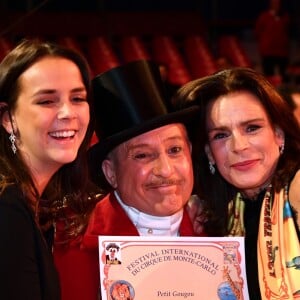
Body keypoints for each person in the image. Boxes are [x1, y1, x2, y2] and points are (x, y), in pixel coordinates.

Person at [53, 59, 203, 300]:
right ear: (111, 172)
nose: (165, 170)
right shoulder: (65, 244)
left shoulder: (222, 229)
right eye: (142, 155)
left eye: (175, 150)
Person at [172, 67, 300, 299]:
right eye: (220, 135)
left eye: (252, 128)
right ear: (210, 153)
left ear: (279, 134)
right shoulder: (214, 215)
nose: (239, 146)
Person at [0, 39, 98, 299]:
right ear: (8, 119)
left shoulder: (30, 203)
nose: (68, 113)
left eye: (78, 98)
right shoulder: (6, 207)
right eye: (46, 101)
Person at [255, 0, 290, 83]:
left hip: (282, 51)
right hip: (268, 51)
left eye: (278, 3)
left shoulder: (285, 16)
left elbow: (287, 31)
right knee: (269, 75)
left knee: (283, 75)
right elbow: (258, 31)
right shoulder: (264, 16)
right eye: (275, 3)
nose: (277, 5)